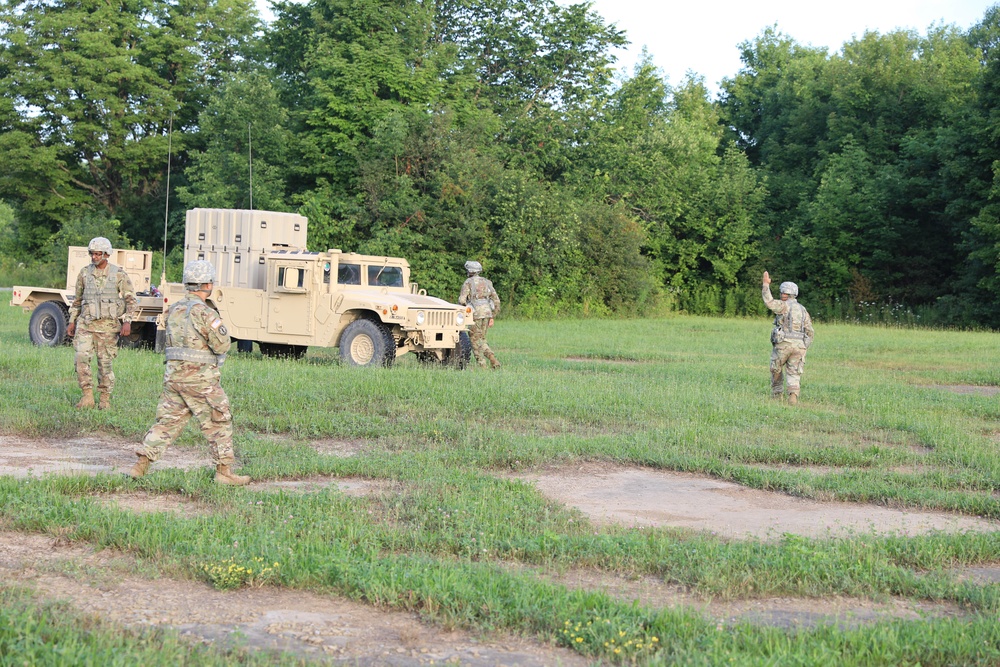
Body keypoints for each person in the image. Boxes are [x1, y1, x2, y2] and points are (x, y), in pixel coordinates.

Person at [127, 260, 250, 485]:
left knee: (166, 423)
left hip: (174, 377)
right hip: (200, 380)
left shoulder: (174, 309)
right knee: (219, 420)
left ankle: (140, 466)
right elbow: (222, 344)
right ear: (207, 285)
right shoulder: (205, 312)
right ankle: (224, 473)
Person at [66, 237, 138, 410]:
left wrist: (127, 321)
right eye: (92, 253)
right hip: (86, 324)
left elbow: (131, 300)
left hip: (107, 327)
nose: (94, 257)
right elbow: (77, 300)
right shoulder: (84, 273)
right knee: (81, 359)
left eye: (98, 254)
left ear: (107, 254)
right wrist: (72, 321)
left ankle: (104, 399)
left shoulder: (118, 274)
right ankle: (87, 396)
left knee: (104, 364)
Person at [762, 271, 814, 405]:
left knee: (776, 368)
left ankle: (777, 394)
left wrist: (765, 285)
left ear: (785, 294)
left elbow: (769, 302)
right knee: (794, 372)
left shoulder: (783, 305)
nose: (781, 295)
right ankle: (793, 395)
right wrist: (804, 346)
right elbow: (810, 331)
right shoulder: (803, 309)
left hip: (783, 344)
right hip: (800, 345)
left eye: (782, 293)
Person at [458, 260, 501, 369]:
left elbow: (462, 300)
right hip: (487, 313)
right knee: (482, 338)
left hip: (475, 314)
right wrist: (492, 316)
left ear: (469, 271)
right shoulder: (487, 282)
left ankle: (483, 366)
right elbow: (496, 300)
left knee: (474, 341)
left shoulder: (468, 282)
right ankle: (492, 358)